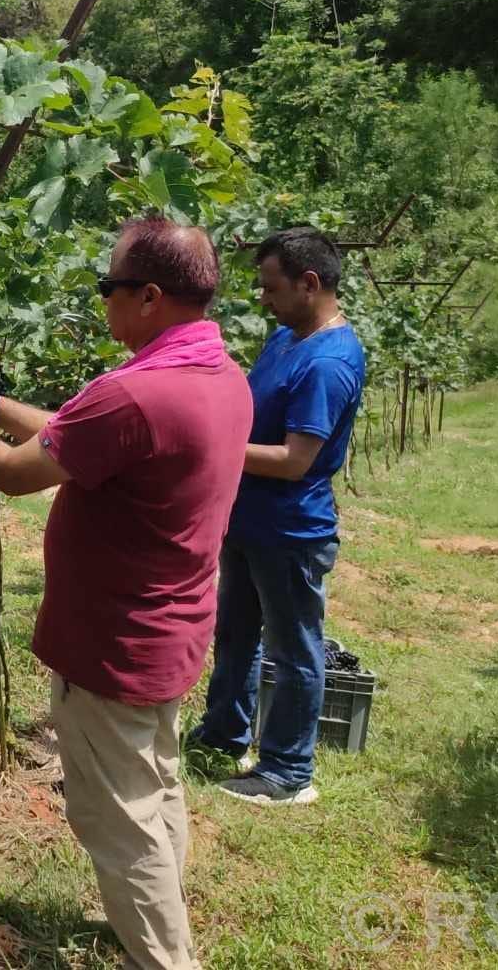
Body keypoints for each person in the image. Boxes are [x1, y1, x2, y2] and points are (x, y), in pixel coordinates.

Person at [0, 217, 252, 970]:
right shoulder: (218, 374)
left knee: (118, 823)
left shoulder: (135, 394)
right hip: (172, 632)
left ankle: (165, 961)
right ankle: (157, 930)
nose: (103, 302)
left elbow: (17, 471)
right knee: (156, 789)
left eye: (108, 287)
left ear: (150, 296)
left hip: (113, 645)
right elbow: (74, 437)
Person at [192, 227, 366, 807]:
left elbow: (295, 461)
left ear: (309, 284)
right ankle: (223, 736)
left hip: (290, 532)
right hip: (251, 522)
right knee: (237, 634)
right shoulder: (289, 340)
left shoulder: (328, 363)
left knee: (293, 649)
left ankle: (289, 771)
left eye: (271, 288)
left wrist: (208, 445)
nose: (262, 299)